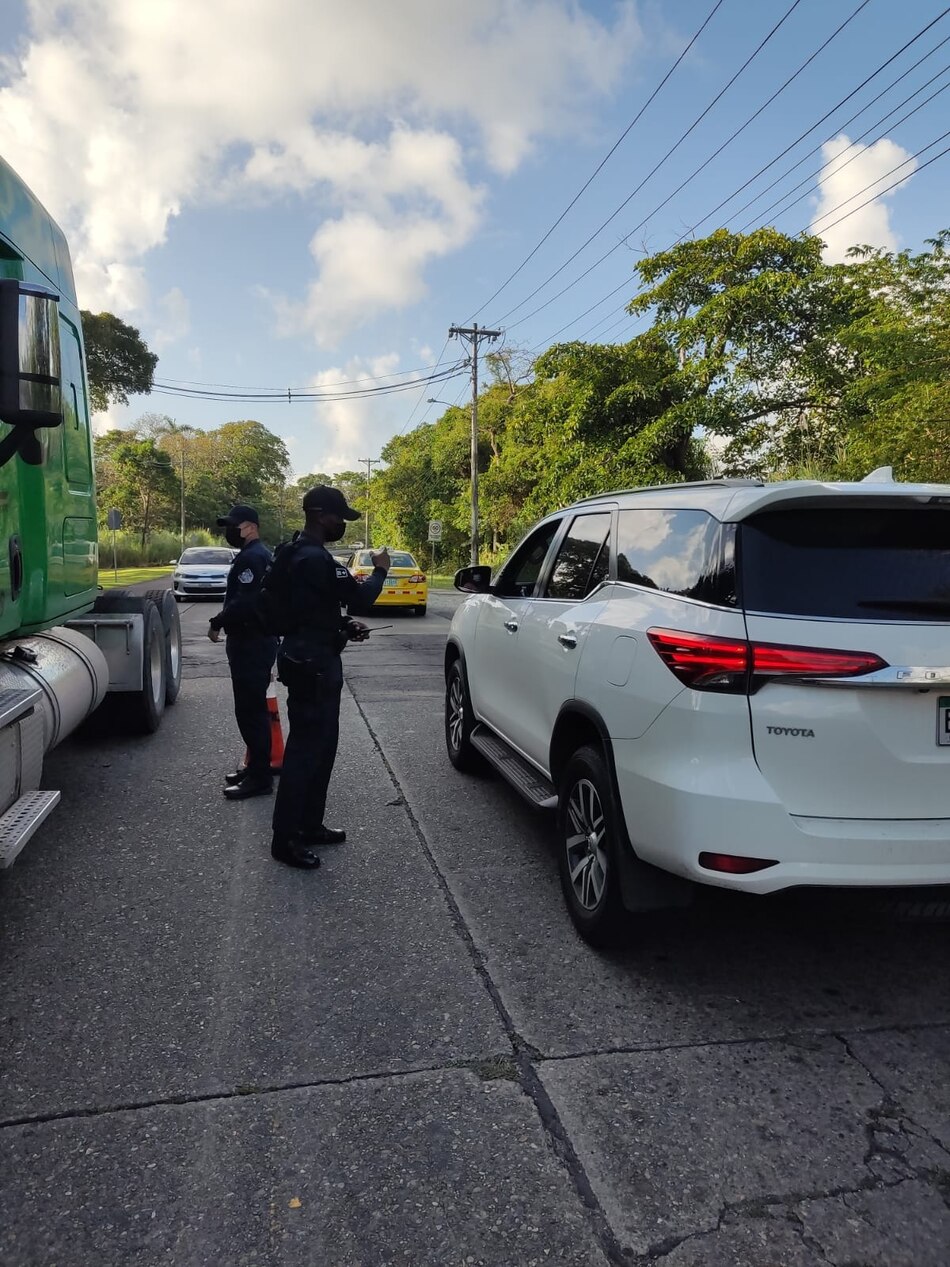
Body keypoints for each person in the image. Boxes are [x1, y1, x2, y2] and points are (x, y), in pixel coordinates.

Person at [269, 485, 390, 868]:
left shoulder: (292, 553)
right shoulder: (317, 559)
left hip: (305, 655)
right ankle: (285, 840)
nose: (342, 524)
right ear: (321, 516)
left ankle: (309, 825)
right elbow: (362, 597)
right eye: (339, 517)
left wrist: (342, 625)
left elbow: (309, 609)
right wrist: (380, 569)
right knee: (306, 752)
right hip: (314, 666)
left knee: (321, 749)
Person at [208, 504, 280, 800]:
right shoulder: (256, 554)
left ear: (250, 527)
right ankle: (256, 768)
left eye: (233, 526)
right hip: (254, 641)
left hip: (252, 642)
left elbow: (246, 602)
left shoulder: (253, 557)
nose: (229, 531)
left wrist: (217, 621)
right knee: (250, 710)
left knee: (251, 712)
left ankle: (260, 777)